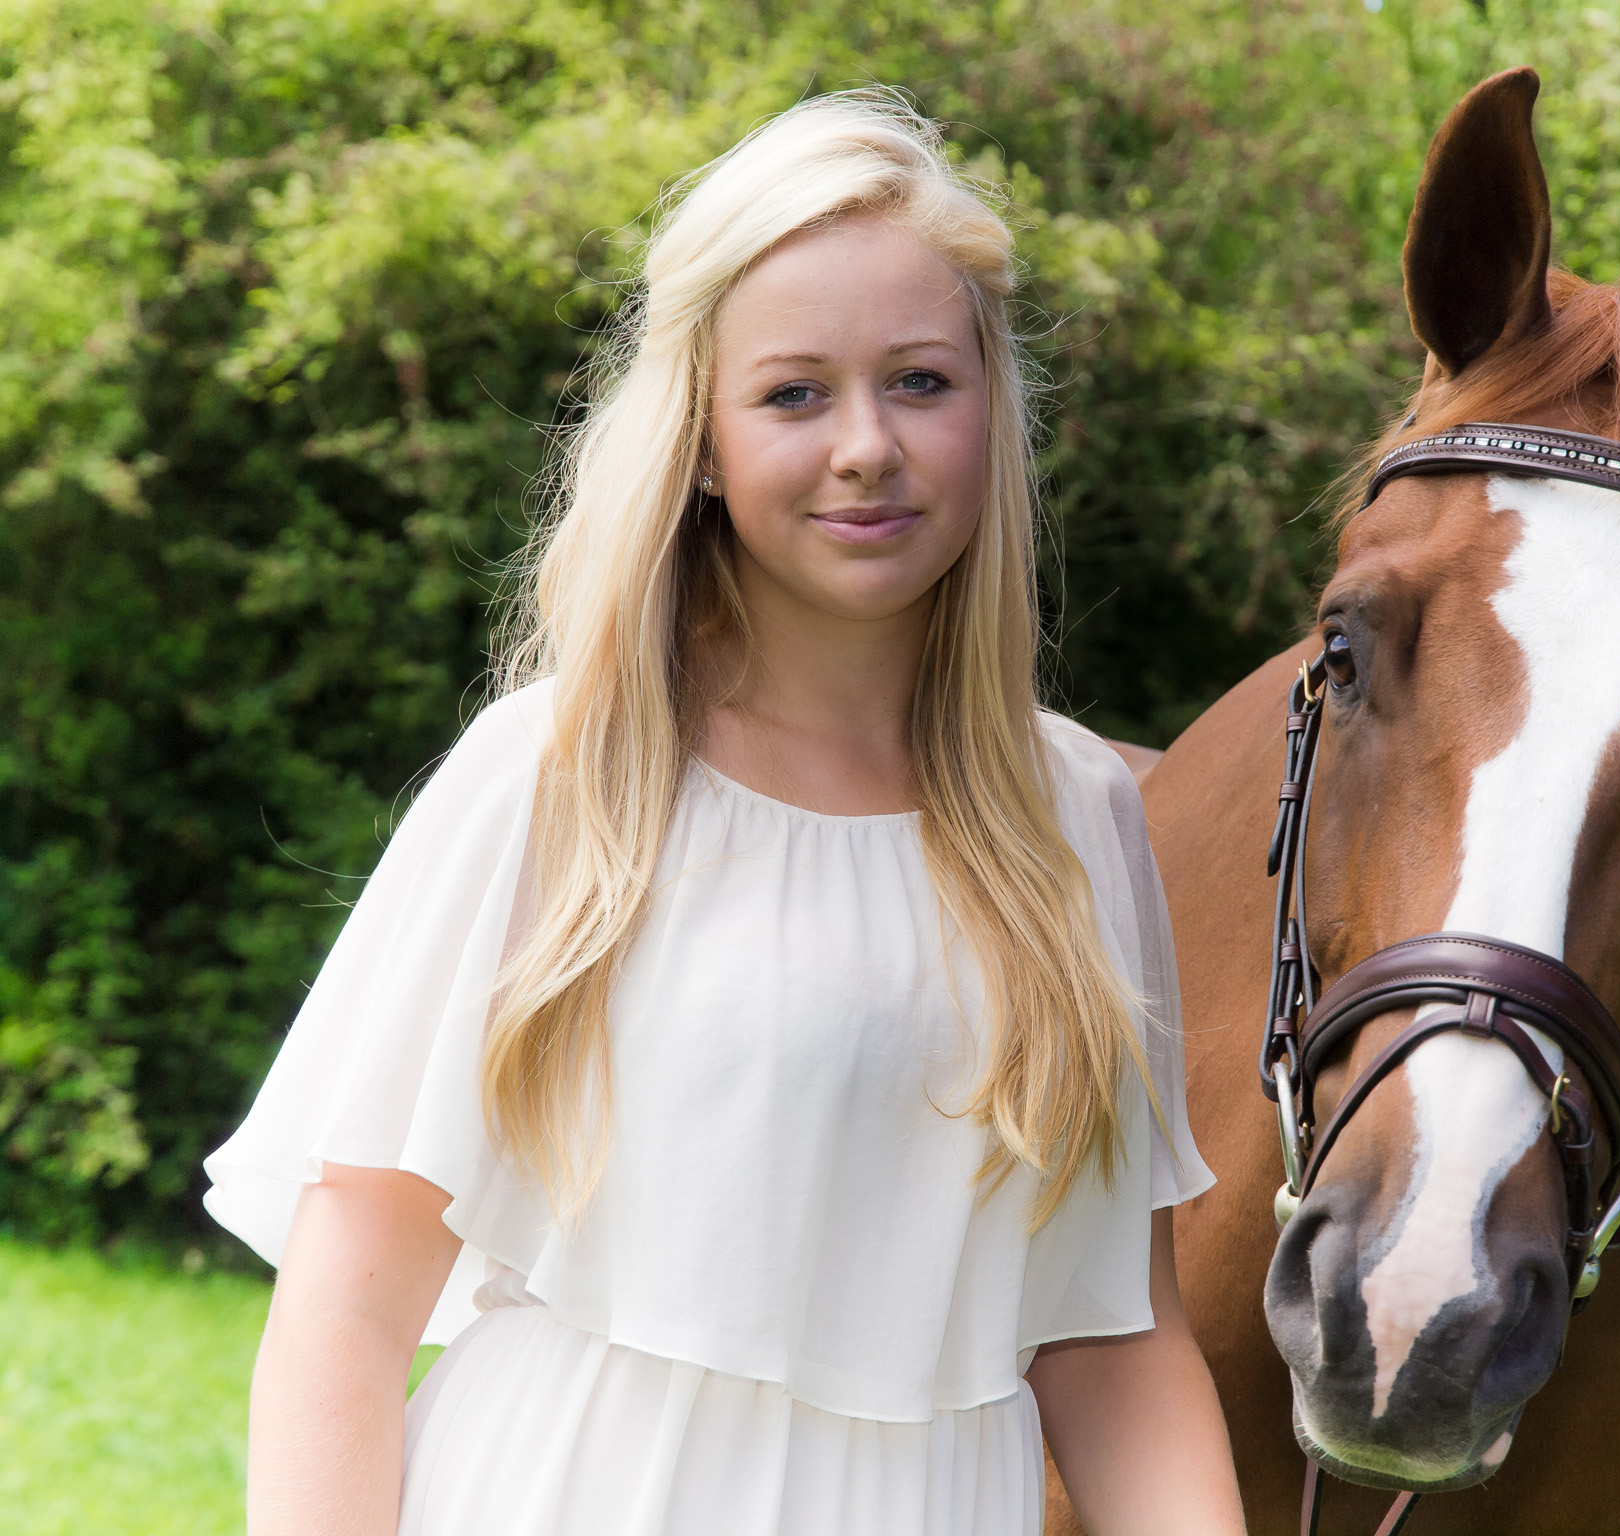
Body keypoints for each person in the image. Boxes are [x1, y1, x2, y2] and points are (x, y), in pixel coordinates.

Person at [203, 90, 1247, 1536]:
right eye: (794, 393)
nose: (867, 444)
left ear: (992, 411)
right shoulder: (559, 776)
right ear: (700, 438)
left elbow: (1113, 1342)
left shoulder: (1074, 816)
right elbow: (345, 1311)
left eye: (923, 382)